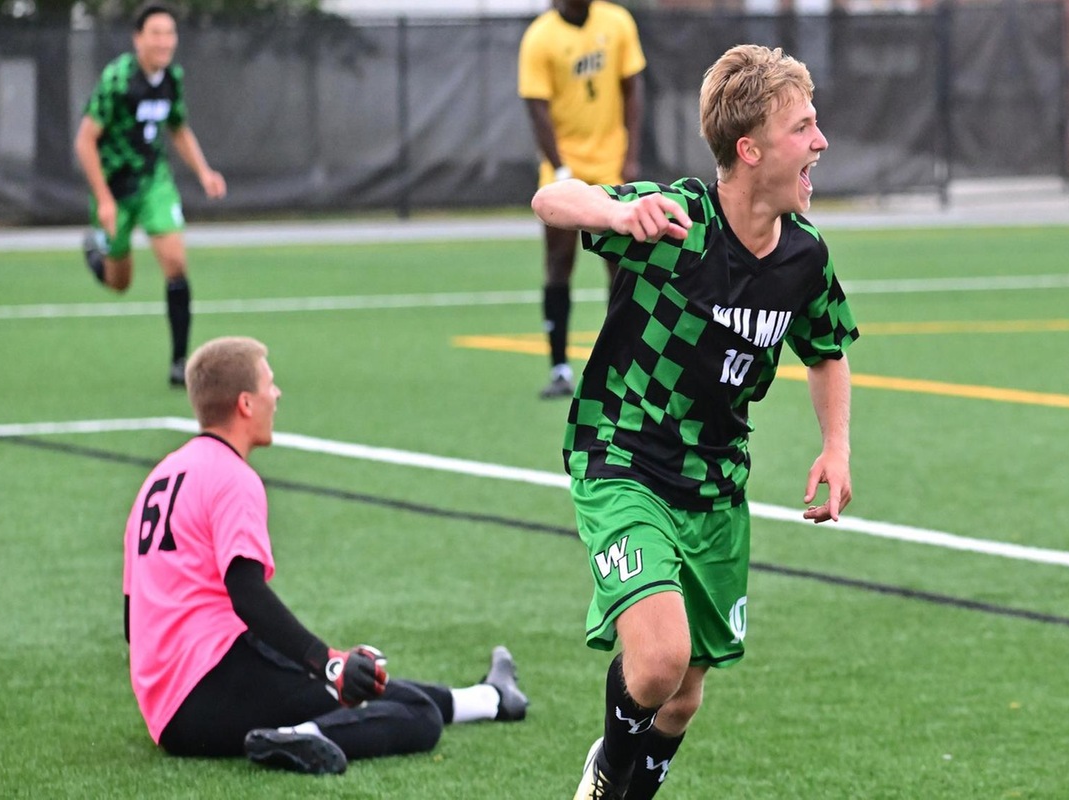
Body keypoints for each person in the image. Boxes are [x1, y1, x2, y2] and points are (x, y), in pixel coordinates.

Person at [531, 44, 857, 799]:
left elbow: (829, 347)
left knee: (682, 698)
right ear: (751, 150)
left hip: (715, 484)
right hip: (623, 456)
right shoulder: (677, 220)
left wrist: (835, 447)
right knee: (656, 662)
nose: (821, 141)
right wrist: (618, 211)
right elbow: (554, 200)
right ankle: (606, 777)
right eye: (804, 127)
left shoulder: (804, 258)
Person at [122, 336, 528, 775]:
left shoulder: (159, 477)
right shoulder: (231, 476)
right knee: (416, 715)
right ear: (245, 404)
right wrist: (327, 660)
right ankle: (305, 736)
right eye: (269, 385)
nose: (276, 395)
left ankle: (491, 697)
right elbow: (247, 594)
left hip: (169, 717)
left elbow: (132, 619)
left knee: (371, 690)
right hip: (215, 687)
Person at [76, 3, 226, 388]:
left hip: (153, 182)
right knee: (119, 283)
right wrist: (105, 200)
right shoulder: (117, 79)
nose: (164, 41)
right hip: (115, 187)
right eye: (156, 33)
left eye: (169, 33)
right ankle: (97, 255)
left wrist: (204, 172)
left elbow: (178, 128)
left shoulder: (171, 79)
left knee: (176, 262)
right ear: (138, 39)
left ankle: (181, 363)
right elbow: (85, 141)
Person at [518, 0, 647, 399]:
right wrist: (560, 171)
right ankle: (560, 369)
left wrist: (630, 157)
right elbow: (537, 109)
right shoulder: (541, 37)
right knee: (559, 264)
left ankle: (619, 367)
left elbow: (633, 88)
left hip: (610, 169)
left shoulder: (618, 21)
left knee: (622, 268)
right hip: (565, 171)